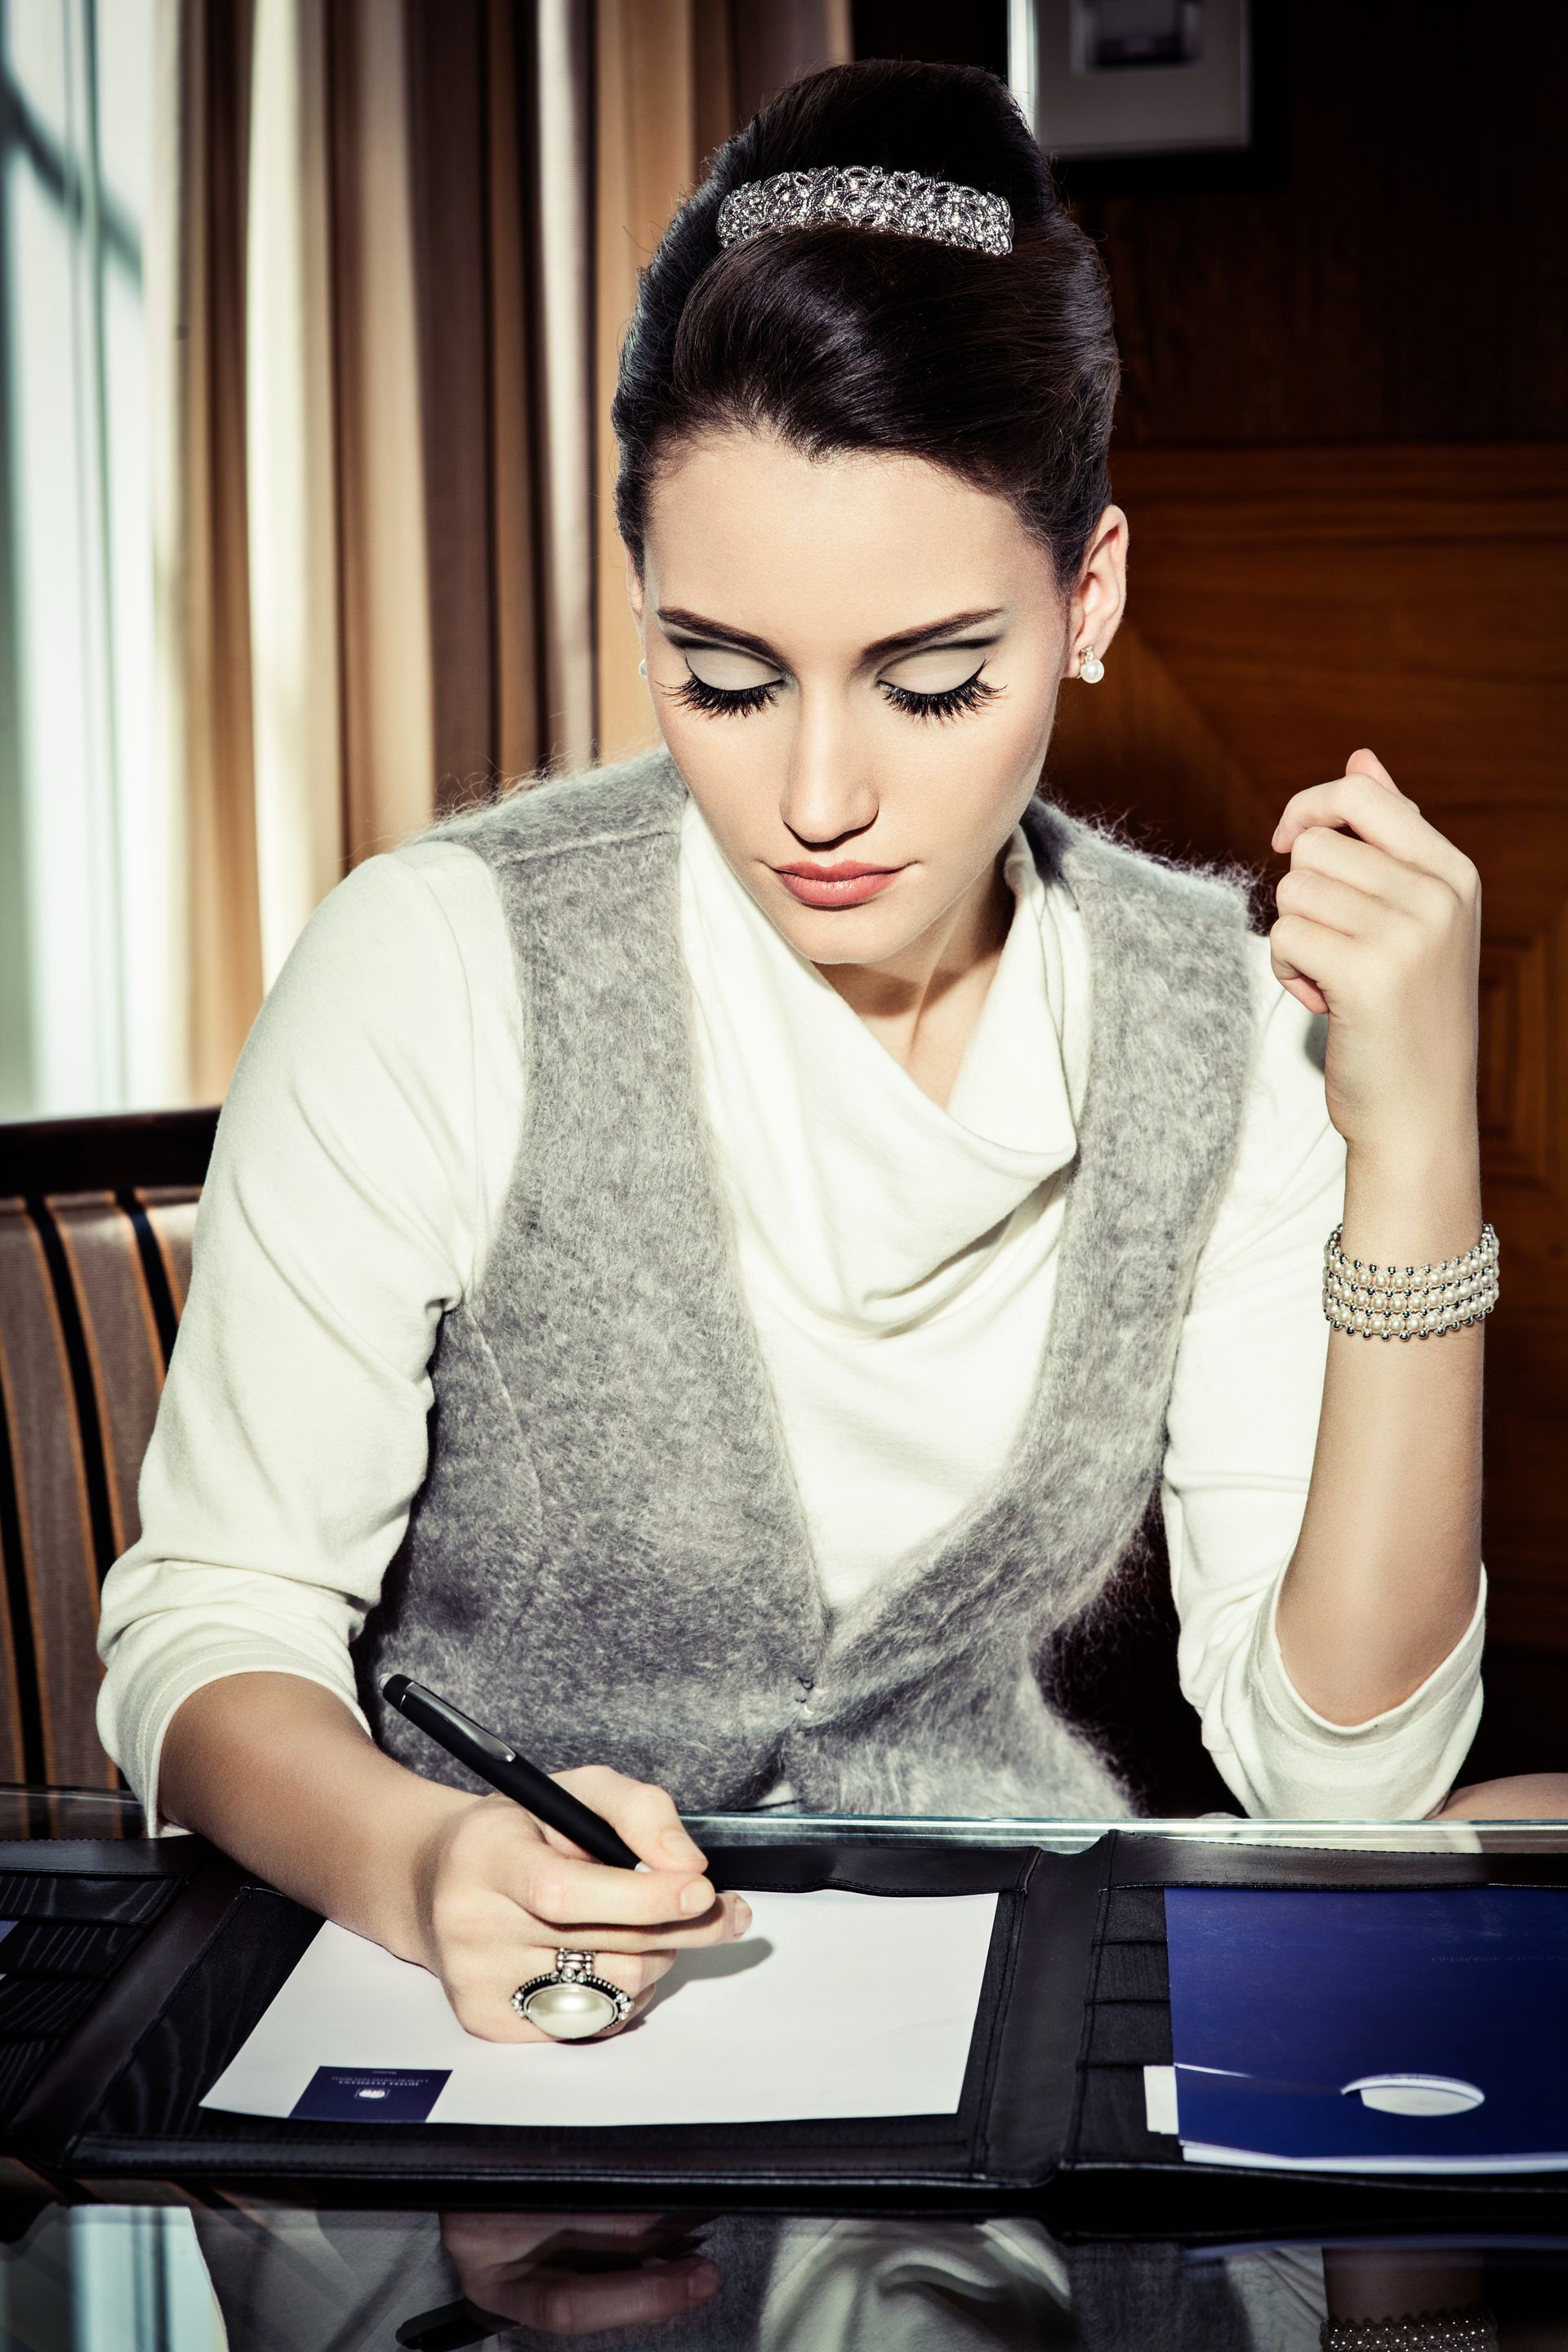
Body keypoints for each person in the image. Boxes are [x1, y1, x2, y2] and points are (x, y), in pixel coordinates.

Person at [94, 58, 1563, 2051]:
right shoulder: (432, 966)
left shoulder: (1208, 1020)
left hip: (1011, 2074)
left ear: (1092, 598)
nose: (816, 795)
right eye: (719, 672)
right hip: (479, 2081)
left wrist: (1412, 1153)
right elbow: (210, 1625)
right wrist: (417, 1855)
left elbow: (1346, 1787)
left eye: (936, 681)